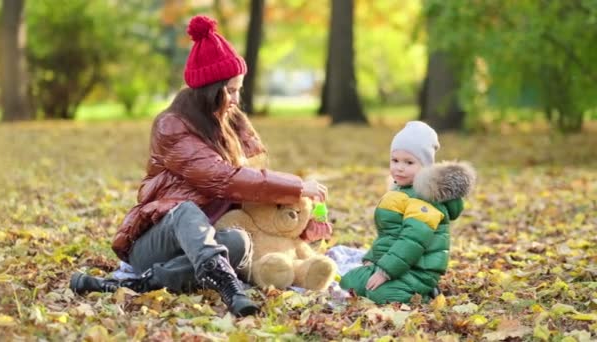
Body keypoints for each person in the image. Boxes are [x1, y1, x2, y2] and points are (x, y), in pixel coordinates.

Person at [69, 15, 328, 317]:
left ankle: (139, 286)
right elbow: (222, 179)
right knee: (187, 211)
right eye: (230, 91)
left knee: (237, 241)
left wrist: (294, 218)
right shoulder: (171, 126)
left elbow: (250, 189)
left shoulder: (230, 123)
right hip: (160, 242)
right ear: (209, 91)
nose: (235, 99)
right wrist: (295, 185)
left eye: (238, 89)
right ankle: (228, 285)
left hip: (206, 245)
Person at [339, 121, 475, 304]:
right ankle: (386, 283)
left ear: (425, 167)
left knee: (381, 296)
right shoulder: (400, 191)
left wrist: (385, 272)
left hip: (418, 270)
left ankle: (424, 294)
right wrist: (372, 259)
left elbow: (412, 241)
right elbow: (389, 235)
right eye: (395, 160)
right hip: (396, 265)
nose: (399, 167)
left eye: (409, 162)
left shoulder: (424, 199)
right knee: (349, 282)